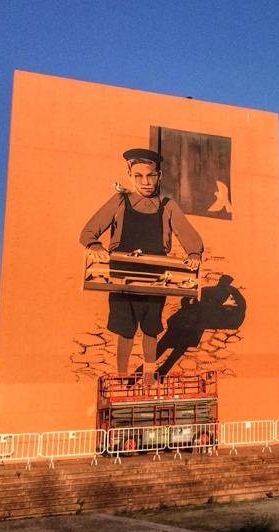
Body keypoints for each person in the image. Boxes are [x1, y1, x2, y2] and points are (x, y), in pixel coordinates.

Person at [80, 148, 203, 382]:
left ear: (159, 176)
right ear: (129, 175)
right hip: (121, 276)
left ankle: (148, 377)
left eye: (151, 175)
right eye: (138, 176)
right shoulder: (119, 201)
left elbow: (189, 235)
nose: (145, 182)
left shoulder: (168, 205)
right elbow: (88, 232)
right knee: (125, 329)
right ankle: (121, 378)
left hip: (155, 277)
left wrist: (194, 252)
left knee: (150, 327)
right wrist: (94, 245)